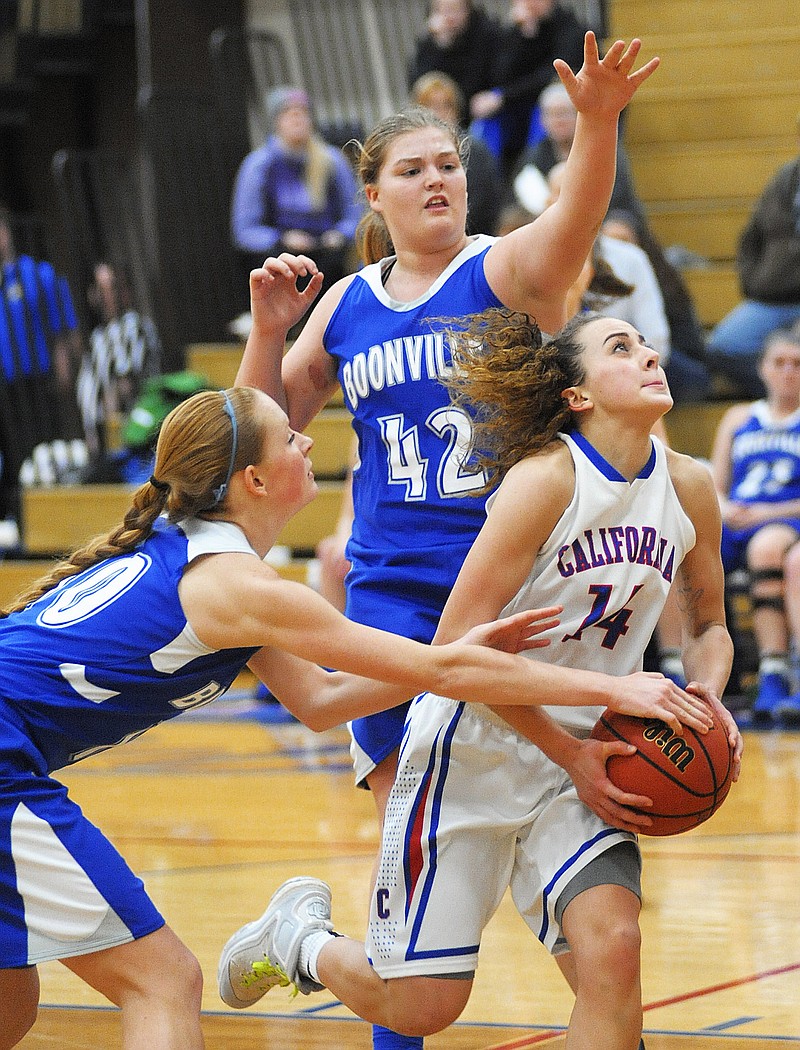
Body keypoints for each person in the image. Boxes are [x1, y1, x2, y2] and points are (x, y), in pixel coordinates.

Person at [1, 383, 712, 1050]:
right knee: (162, 982)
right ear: (252, 480)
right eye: (289, 437)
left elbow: (322, 702)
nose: (307, 442)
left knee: (12, 1000)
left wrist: (450, 652)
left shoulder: (200, 556)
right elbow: (438, 673)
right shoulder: (238, 585)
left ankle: (293, 942)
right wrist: (614, 692)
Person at [232, 32, 659, 1050]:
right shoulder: (343, 306)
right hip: (394, 603)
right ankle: (338, 964)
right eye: (412, 169)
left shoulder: (503, 272)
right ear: (371, 195)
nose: (437, 181)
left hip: (522, 595)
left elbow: (574, 216)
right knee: (412, 898)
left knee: (597, 930)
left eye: (449, 166)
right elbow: (256, 428)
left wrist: (595, 123)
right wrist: (262, 324)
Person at [217, 312, 741, 1050]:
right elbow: (455, 652)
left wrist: (708, 698)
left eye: (646, 343)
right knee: (422, 1007)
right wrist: (569, 754)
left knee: (614, 954)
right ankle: (300, 942)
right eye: (620, 349)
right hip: (474, 749)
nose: (650, 354)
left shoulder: (689, 487)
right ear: (578, 396)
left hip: (594, 756)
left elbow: (710, 624)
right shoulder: (546, 482)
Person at [710, 326, 800, 727]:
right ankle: (680, 667)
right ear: (762, 368)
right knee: (681, 546)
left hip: (782, 518)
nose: (788, 372)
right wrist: (725, 508)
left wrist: (763, 513)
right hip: (735, 518)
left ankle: (773, 672)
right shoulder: (738, 417)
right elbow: (715, 485)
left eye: (797, 364)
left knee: (766, 548)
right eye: (779, 362)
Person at [229, 86, 362, 301]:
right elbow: (245, 230)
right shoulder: (259, 165)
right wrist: (282, 238)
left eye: (302, 113)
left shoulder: (331, 160)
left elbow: (355, 213)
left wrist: (340, 234)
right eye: (288, 113)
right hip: (282, 254)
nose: (297, 119)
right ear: (275, 122)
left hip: (328, 253)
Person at [704, 117, 800, 397]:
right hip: (771, 297)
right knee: (723, 347)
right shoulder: (785, 179)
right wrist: (753, 283)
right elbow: (750, 238)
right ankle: (781, 401)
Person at [469, 0, 586, 176]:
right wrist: (522, 35)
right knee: (486, 118)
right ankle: (484, 178)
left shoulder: (570, 27)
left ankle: (538, 172)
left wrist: (505, 97)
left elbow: (554, 74)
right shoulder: (513, 33)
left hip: (548, 98)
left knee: (547, 110)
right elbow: (500, 77)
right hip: (516, 102)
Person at [511, 80, 645, 221]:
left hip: (603, 222)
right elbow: (518, 203)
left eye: (563, 113)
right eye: (551, 115)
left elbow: (619, 201)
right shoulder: (534, 154)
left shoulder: (603, 149)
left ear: (579, 116)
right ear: (542, 120)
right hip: (549, 225)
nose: (558, 121)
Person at [409, 70, 505, 236]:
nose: (438, 113)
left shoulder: (474, 150)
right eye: (430, 105)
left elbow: (485, 204)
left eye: (446, 105)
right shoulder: (408, 155)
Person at [406, 0, 500, 118]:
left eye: (455, 9)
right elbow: (419, 86)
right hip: (439, 117)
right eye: (443, 10)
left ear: (467, 9)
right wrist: (441, 45)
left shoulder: (487, 33)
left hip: (478, 112)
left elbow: (479, 79)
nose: (449, 17)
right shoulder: (429, 42)